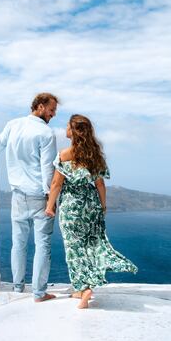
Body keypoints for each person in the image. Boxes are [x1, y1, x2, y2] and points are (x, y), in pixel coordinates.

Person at [45, 114, 137, 309]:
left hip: (71, 208)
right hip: (92, 207)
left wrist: (50, 206)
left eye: (68, 127)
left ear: (74, 132)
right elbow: (100, 184)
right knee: (91, 247)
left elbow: (56, 184)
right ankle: (81, 289)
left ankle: (84, 289)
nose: (65, 130)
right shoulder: (95, 156)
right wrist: (103, 206)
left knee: (74, 250)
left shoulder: (64, 155)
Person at [0, 93, 58, 302]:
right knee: (42, 245)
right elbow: (47, 171)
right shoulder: (47, 133)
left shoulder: (13, 124)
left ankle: (17, 287)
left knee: (19, 243)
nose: (53, 115)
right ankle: (39, 293)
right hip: (39, 196)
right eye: (51, 110)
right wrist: (51, 199)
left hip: (17, 196)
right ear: (40, 107)